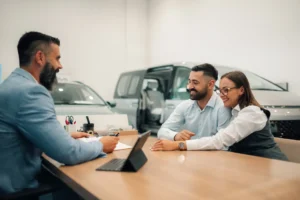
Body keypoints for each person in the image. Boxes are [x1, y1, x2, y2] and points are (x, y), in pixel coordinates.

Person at [0, 31, 119, 194]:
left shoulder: (11, 84)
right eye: (57, 58)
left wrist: (64, 137)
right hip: (17, 190)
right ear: (40, 57)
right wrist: (101, 145)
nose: (60, 66)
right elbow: (67, 153)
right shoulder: (31, 92)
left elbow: (25, 134)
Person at [151, 71, 288, 161]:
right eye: (220, 90)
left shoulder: (251, 113)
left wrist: (178, 145)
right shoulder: (233, 111)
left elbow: (219, 141)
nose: (221, 94)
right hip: (250, 165)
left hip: (271, 166)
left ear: (241, 90)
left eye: (226, 90)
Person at [157, 63, 231, 141]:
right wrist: (175, 136)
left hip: (212, 153)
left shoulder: (223, 107)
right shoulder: (185, 106)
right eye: (189, 82)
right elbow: (162, 131)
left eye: (195, 83)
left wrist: (185, 145)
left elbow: (222, 142)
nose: (190, 86)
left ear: (210, 84)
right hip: (187, 152)